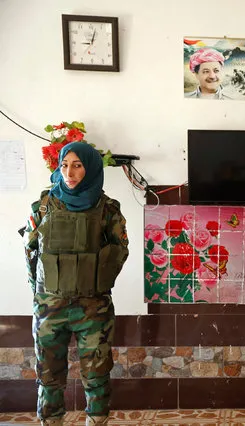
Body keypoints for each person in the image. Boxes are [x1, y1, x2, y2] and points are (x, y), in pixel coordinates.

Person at [20, 142, 129, 426]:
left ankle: (96, 421)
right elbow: (30, 251)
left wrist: (97, 280)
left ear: (90, 168)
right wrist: (39, 292)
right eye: (64, 164)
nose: (69, 172)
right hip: (49, 308)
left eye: (78, 165)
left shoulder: (107, 210)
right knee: (48, 376)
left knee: (96, 375)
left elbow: (119, 251)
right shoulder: (43, 206)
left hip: (93, 311)